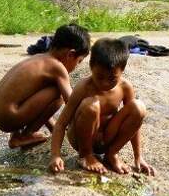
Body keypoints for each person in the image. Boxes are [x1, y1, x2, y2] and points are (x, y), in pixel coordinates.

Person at [48, 38, 155, 176]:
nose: (105, 83)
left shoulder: (125, 87)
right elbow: (61, 124)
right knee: (92, 106)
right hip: (81, 138)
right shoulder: (84, 87)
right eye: (99, 77)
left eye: (112, 79)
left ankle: (112, 154)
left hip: (107, 137)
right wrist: (55, 155)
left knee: (138, 107)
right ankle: (86, 155)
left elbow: (135, 121)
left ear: (122, 71)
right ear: (91, 67)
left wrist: (138, 157)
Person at [0, 23, 90, 149]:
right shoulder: (57, 67)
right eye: (79, 61)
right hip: (8, 117)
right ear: (70, 55)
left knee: (47, 90)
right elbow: (71, 101)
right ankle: (24, 135)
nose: (76, 67)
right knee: (57, 95)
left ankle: (18, 135)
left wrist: (54, 127)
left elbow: (40, 105)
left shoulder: (38, 57)